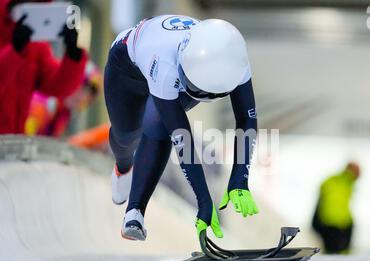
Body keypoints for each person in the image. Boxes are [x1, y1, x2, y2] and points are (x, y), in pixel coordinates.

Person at [104, 16, 259, 241]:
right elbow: (182, 138)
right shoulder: (166, 64)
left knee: (157, 127)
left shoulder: (235, 60)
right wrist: (204, 200)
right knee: (127, 136)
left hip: (178, 82)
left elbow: (247, 119)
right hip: (127, 69)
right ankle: (123, 166)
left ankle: (134, 212)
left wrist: (239, 178)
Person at [0, 0, 87, 134]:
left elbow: (57, 87)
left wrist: (72, 54)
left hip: (14, 144)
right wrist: (14, 51)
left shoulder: (35, 42)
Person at [25, 61, 102, 138]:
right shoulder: (41, 103)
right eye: (82, 87)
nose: (83, 97)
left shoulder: (64, 113)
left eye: (89, 96)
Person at [312, 162, 361, 254]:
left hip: (338, 222)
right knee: (338, 253)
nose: (359, 175)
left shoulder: (335, 181)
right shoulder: (344, 183)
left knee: (333, 253)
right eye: (357, 171)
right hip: (336, 224)